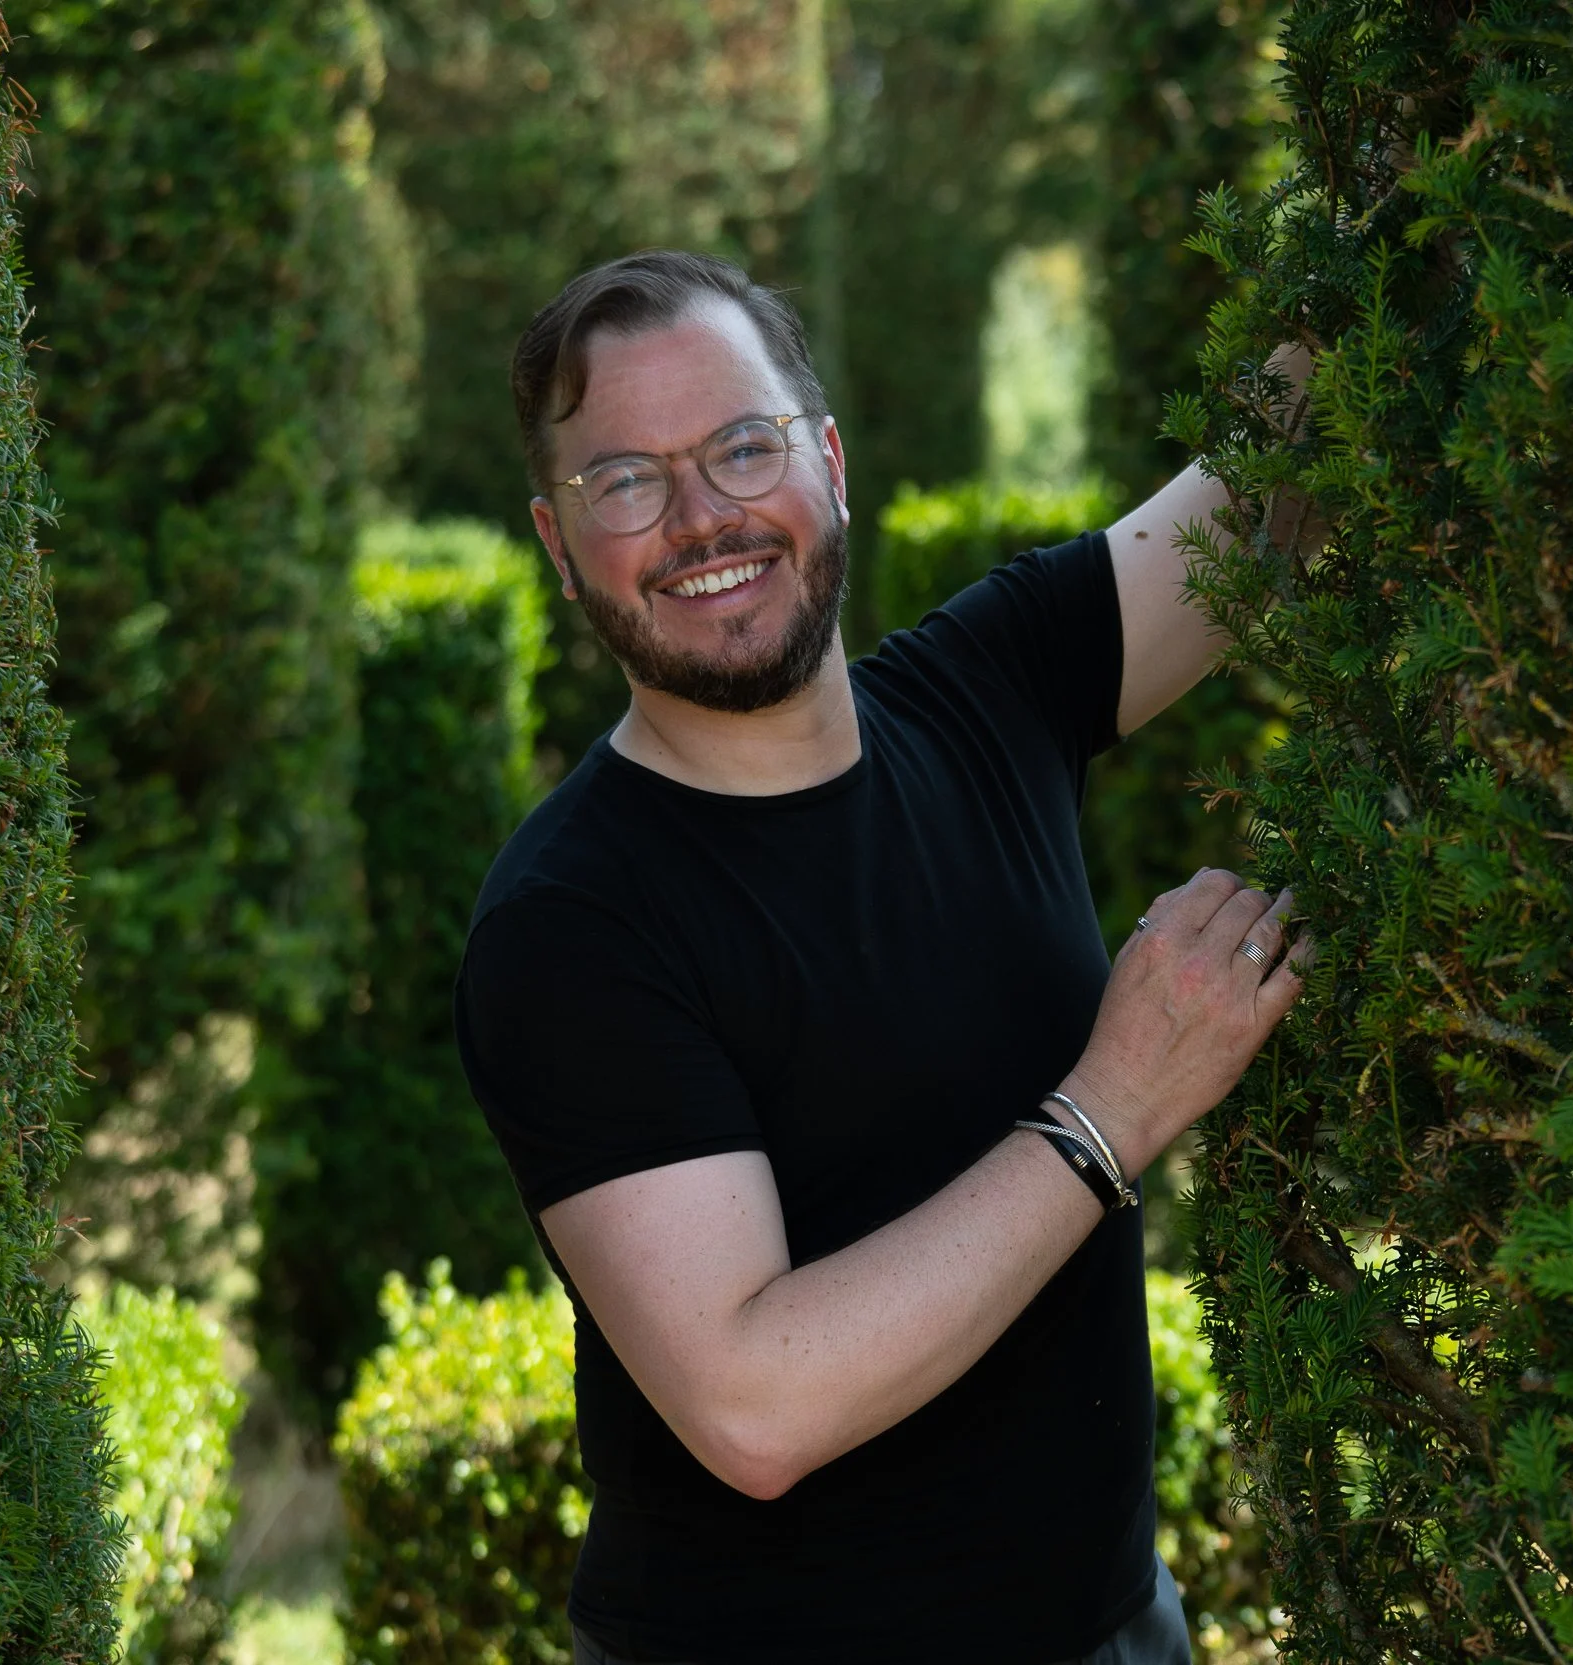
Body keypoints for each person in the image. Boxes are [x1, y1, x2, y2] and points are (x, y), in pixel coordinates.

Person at [455, 248, 1305, 1665]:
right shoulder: (572, 921)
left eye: (743, 446)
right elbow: (753, 1406)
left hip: (1112, 1627)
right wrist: (1119, 1106)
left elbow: (1281, 489)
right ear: (559, 545)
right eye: (627, 481)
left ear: (830, 462)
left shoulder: (990, 690)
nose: (700, 517)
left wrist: (1412, 173)